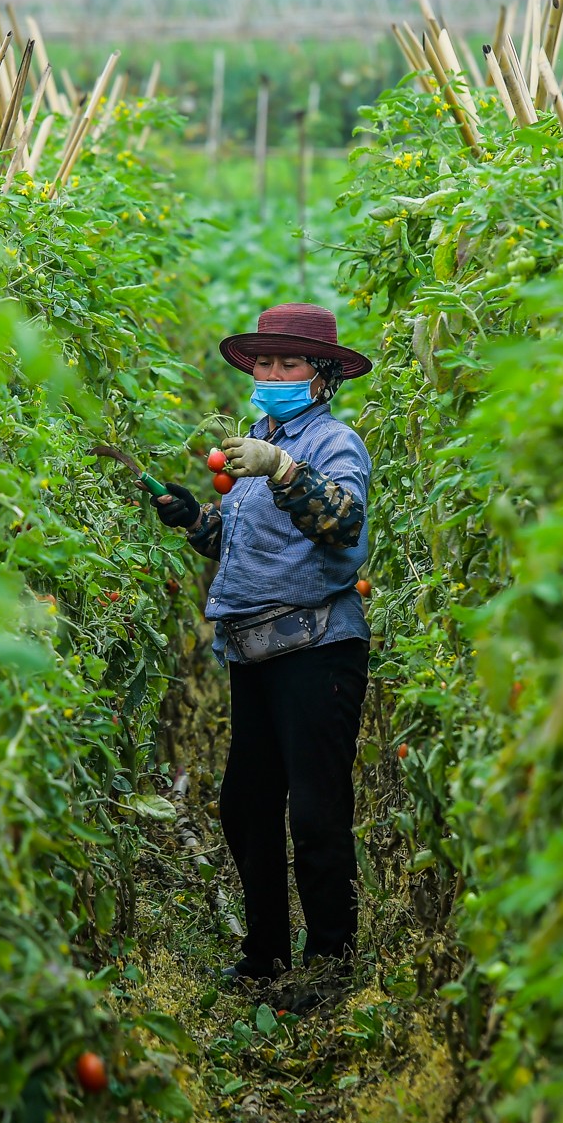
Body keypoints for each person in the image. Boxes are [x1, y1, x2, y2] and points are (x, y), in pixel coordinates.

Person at [150, 302, 373, 985]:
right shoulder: (255, 438)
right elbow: (243, 543)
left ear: (322, 375)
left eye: (290, 361)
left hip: (317, 648)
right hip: (253, 650)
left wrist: (281, 467)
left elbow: (341, 523)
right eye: (267, 361)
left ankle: (331, 960)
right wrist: (195, 518)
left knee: (314, 811)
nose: (274, 371)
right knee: (246, 805)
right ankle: (265, 956)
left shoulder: (334, 444)